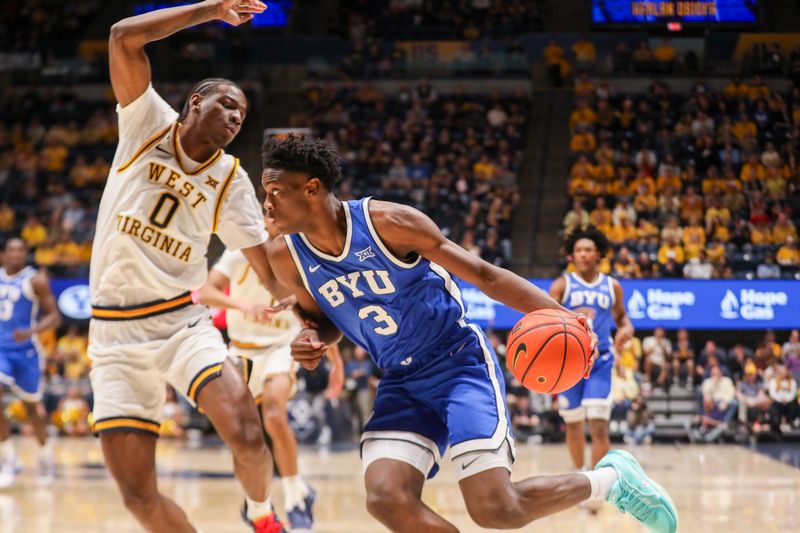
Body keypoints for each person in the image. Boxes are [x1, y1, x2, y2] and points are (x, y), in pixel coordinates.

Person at [260, 135, 677, 533]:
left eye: (275, 190)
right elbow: (324, 322)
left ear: (311, 188)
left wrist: (565, 316)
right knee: (385, 497)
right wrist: (312, 339)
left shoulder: (388, 222)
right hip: (401, 380)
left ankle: (611, 480)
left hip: (458, 363)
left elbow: (484, 275)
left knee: (496, 508)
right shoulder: (285, 256)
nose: (267, 202)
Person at [89, 2, 287, 531]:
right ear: (195, 101)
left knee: (247, 432)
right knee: (138, 497)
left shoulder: (230, 180)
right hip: (113, 338)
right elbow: (122, 37)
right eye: (227, 105)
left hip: (181, 323)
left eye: (242, 114)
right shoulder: (147, 124)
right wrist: (212, 10)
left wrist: (303, 315)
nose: (235, 117)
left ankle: (263, 515)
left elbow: (266, 270)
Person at [198, 214, 344, 530]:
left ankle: (294, 497)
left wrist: (336, 363)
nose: (270, 222)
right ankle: (257, 504)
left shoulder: (298, 256)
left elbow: (315, 315)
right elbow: (207, 292)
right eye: (265, 217)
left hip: (282, 346)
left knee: (275, 415)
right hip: (240, 350)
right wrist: (242, 307)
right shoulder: (238, 253)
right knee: (243, 436)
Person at [549, 225, 635, 512]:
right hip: (569, 362)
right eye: (579, 250)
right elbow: (545, 319)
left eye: (588, 249)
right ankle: (580, 478)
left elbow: (623, 319)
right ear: (572, 255)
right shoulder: (562, 285)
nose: (583, 254)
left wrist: (627, 329)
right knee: (573, 424)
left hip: (600, 360)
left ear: (598, 253)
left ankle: (596, 486)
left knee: (598, 424)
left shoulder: (612, 286)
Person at [0, 238, 61, 487]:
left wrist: (32, 331)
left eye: (21, 249)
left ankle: (45, 455)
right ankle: (8, 457)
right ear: (3, 254)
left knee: (32, 410)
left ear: (26, 254)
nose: (16, 253)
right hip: (1, 350)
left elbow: (55, 316)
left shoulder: (36, 280)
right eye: (11, 249)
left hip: (26, 352)